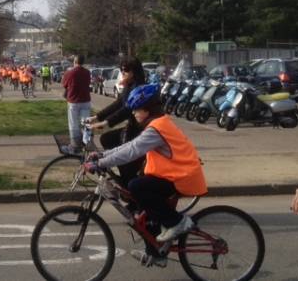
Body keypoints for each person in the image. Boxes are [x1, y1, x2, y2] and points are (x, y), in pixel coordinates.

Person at [84, 83, 207, 268]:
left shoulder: (156, 129)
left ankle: (178, 222)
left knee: (136, 186)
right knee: (143, 207)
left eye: (136, 109)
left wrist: (100, 163)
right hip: (175, 175)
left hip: (183, 177)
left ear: (147, 109)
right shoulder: (157, 124)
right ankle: (156, 253)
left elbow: (131, 151)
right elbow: (129, 146)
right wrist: (102, 155)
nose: (133, 113)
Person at [87, 57, 147, 186]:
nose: (122, 72)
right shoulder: (129, 85)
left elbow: (126, 110)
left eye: (125, 70)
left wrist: (106, 123)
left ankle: (129, 178)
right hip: (131, 126)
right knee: (106, 139)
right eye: (121, 69)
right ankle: (125, 173)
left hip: (139, 129)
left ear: (134, 71)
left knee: (121, 152)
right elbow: (118, 103)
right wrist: (97, 117)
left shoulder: (139, 87)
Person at [61, 55, 92, 154]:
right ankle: (87, 143)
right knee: (86, 122)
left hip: (73, 101)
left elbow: (64, 84)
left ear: (75, 61)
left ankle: (74, 146)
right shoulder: (87, 73)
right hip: (85, 100)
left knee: (73, 123)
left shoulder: (69, 73)